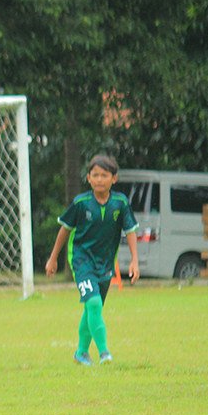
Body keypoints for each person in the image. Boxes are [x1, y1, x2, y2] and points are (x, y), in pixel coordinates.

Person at [45, 154, 139, 365]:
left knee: (92, 308)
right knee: (94, 303)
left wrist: (135, 260)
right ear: (88, 178)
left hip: (105, 263)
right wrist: (53, 258)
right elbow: (64, 230)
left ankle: (80, 353)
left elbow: (130, 230)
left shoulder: (120, 203)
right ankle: (104, 352)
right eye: (95, 175)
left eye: (104, 175)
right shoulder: (81, 203)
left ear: (113, 178)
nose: (99, 179)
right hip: (81, 260)